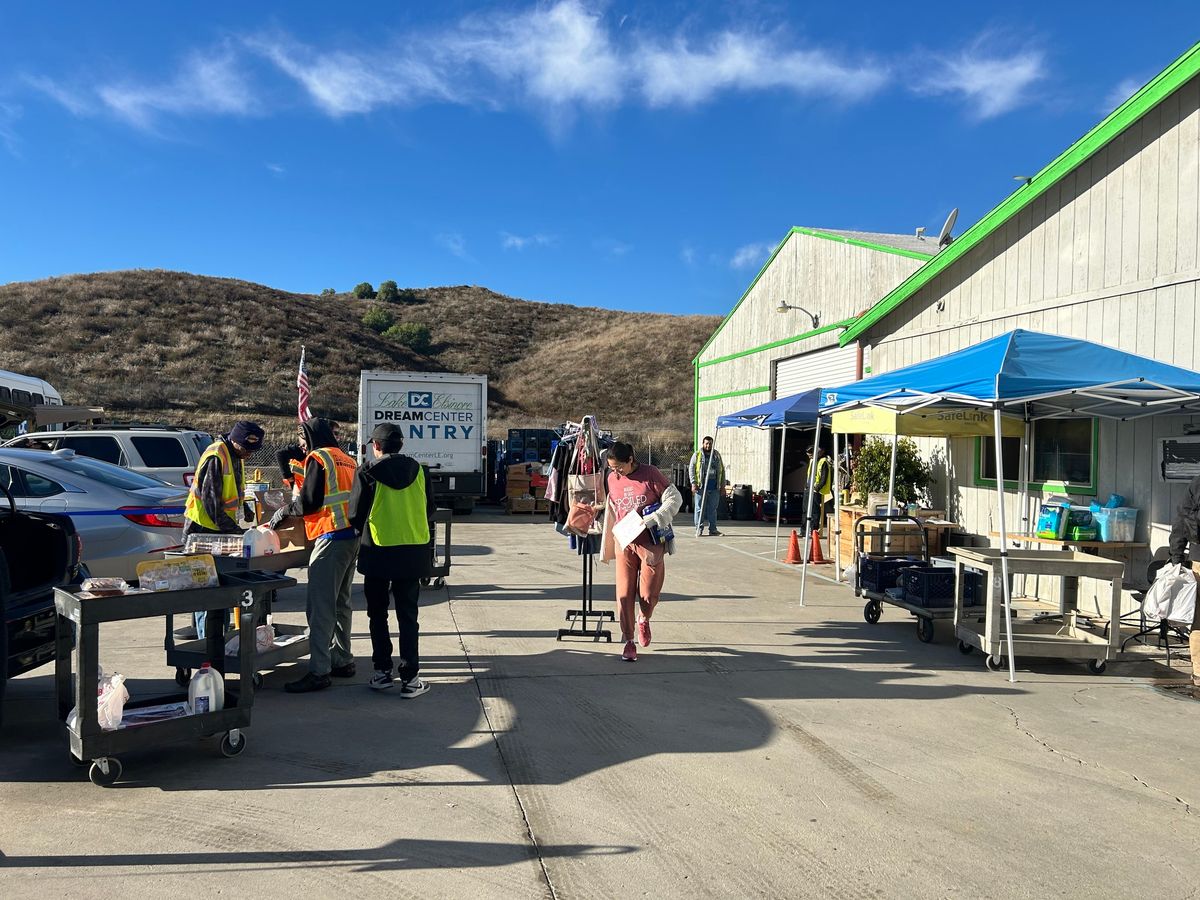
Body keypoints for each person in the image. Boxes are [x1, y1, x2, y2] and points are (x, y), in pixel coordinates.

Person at [270, 417, 360, 694]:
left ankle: (319, 670)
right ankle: (342, 659)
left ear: (310, 437)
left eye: (302, 439)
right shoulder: (347, 459)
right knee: (341, 603)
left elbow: (309, 502)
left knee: (320, 607)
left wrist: (285, 511)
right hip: (350, 536)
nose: (301, 445)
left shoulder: (318, 458)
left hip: (330, 537)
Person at [348, 423, 434, 697]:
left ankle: (382, 672)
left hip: (378, 550)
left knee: (377, 614)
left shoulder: (367, 472)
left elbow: (355, 514)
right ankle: (410, 678)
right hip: (412, 550)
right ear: (401, 445)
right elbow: (429, 508)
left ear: (376, 446)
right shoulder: (421, 471)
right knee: (408, 616)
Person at [601, 442, 682, 662]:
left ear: (631, 459)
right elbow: (613, 507)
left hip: (650, 542)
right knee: (624, 594)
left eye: (619, 467)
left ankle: (644, 618)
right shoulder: (611, 479)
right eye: (612, 468)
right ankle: (628, 640)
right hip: (624, 541)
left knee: (648, 595)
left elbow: (675, 499)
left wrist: (654, 519)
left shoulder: (651, 474)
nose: (616, 472)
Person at [183, 420, 264, 639]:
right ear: (236, 441)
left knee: (222, 589)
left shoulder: (235, 455)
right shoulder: (216, 457)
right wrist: (238, 532)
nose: (249, 454)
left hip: (219, 531)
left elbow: (233, 490)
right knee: (206, 590)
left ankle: (220, 638)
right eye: (247, 449)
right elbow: (212, 504)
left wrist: (245, 509)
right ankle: (207, 643)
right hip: (201, 531)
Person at [1166, 479, 1200, 688]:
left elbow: (1181, 523)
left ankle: (1199, 672)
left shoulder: (1196, 484)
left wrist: (1177, 558)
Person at [688, 435, 725, 536]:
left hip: (714, 487)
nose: (708, 445)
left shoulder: (716, 455)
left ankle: (713, 529)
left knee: (712, 509)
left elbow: (722, 470)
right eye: (706, 443)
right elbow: (691, 469)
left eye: (710, 444)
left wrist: (722, 486)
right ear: (703, 444)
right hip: (701, 487)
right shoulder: (697, 455)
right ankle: (698, 529)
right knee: (699, 508)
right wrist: (693, 483)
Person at [806, 447, 834, 534]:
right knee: (811, 509)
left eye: (811, 455)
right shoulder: (815, 461)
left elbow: (823, 478)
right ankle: (811, 528)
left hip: (818, 490)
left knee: (815, 510)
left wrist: (817, 488)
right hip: (812, 488)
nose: (810, 457)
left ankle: (814, 529)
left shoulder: (823, 462)